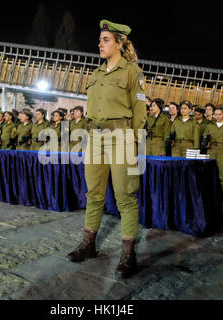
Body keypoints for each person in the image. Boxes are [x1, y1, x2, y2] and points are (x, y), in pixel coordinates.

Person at [67, 19, 147, 278]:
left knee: (125, 196)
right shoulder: (96, 73)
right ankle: (88, 244)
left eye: (106, 40)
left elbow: (140, 110)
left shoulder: (132, 72)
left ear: (120, 43)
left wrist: (134, 141)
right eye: (100, 39)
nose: (99, 44)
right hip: (95, 138)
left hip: (121, 136)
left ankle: (127, 254)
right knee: (94, 194)